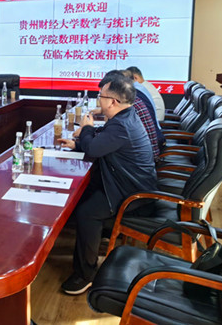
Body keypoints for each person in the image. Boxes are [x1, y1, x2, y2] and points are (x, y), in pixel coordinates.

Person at [58, 73, 157, 295]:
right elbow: (101, 142)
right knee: (83, 194)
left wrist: (86, 128)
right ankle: (94, 242)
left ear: (112, 101)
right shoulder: (125, 116)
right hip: (126, 183)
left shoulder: (122, 125)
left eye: (100, 96)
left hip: (133, 194)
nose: (98, 100)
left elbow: (94, 148)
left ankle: (85, 275)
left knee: (87, 212)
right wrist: (77, 144)